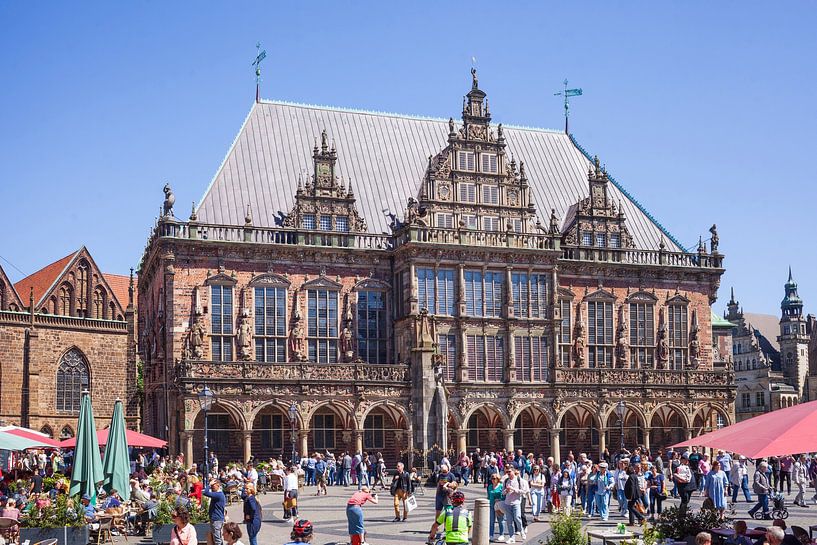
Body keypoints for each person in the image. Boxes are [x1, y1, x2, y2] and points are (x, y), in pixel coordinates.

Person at [203, 479, 226, 545]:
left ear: (218, 485)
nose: (212, 488)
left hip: (217, 519)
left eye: (213, 486)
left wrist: (209, 485)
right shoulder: (218, 494)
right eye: (212, 486)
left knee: (217, 539)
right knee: (217, 538)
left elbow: (205, 493)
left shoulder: (218, 495)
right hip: (216, 519)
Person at [486, 473, 505, 542]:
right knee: (491, 521)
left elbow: (504, 496)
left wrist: (500, 499)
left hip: (499, 506)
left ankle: (501, 534)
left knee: (500, 520)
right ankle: (491, 535)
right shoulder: (490, 486)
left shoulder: (501, 486)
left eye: (494, 478)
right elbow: (488, 496)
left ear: (498, 479)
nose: (493, 480)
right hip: (491, 505)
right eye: (492, 478)